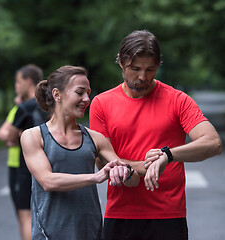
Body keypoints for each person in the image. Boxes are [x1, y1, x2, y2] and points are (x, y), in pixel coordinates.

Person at [89, 30, 223, 240]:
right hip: (120, 214)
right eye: (135, 69)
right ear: (121, 62)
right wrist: (146, 166)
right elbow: (102, 162)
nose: (143, 77)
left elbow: (213, 143)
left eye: (150, 69)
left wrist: (167, 156)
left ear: (159, 64)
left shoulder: (178, 100)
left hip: (168, 215)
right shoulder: (101, 104)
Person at [20, 65, 140, 239]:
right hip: (49, 234)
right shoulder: (33, 136)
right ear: (57, 94)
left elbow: (133, 180)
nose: (87, 99)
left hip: (90, 232)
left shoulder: (95, 138)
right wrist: (95, 177)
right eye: (80, 92)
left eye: (88, 93)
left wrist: (125, 171)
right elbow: (48, 181)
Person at [5, 64, 48, 240]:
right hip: (52, 163)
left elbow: (9, 137)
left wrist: (22, 136)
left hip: (27, 167)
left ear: (28, 81)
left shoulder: (25, 107)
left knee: (25, 215)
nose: (17, 86)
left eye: (18, 81)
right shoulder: (51, 104)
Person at [0, 93, 23, 214]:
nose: (15, 97)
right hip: (13, 163)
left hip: (27, 164)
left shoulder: (32, 109)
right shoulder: (16, 110)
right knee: (19, 209)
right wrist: (14, 138)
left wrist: (14, 140)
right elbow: (1, 133)